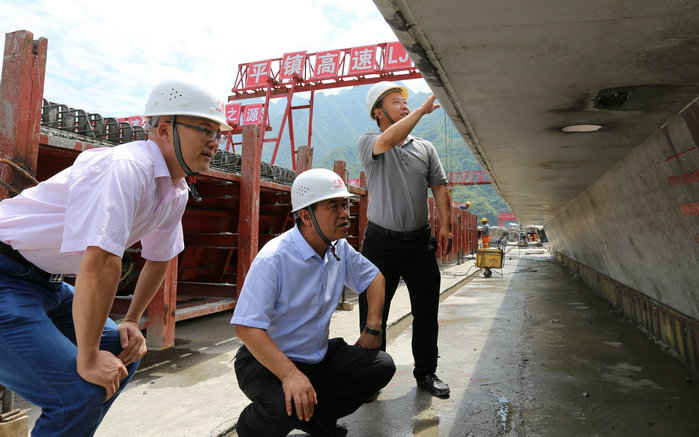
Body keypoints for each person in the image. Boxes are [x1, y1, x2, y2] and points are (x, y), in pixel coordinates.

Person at [0, 80, 231, 436]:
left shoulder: (176, 190)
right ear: (165, 130)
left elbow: (160, 257)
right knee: (75, 395)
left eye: (218, 133)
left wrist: (132, 320)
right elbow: (100, 262)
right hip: (6, 276)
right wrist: (88, 356)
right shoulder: (127, 167)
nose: (214, 142)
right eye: (205, 129)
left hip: (47, 285)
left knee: (123, 350)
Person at [231, 168, 395, 437]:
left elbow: (374, 278)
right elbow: (246, 327)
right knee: (282, 407)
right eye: (333, 206)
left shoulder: (338, 247)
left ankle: (317, 421)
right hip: (267, 362)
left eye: (345, 204)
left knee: (380, 366)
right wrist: (289, 374)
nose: (345, 213)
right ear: (306, 216)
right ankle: (249, 429)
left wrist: (373, 328)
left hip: (316, 357)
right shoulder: (275, 258)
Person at [357, 81, 453, 398]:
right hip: (380, 244)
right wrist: (423, 111)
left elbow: (439, 186)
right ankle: (370, 378)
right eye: (395, 102)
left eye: (404, 101)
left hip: (419, 244)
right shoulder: (369, 142)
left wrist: (446, 224)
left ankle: (426, 373)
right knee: (374, 312)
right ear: (378, 112)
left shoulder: (425, 148)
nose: (404, 105)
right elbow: (389, 140)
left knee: (426, 310)